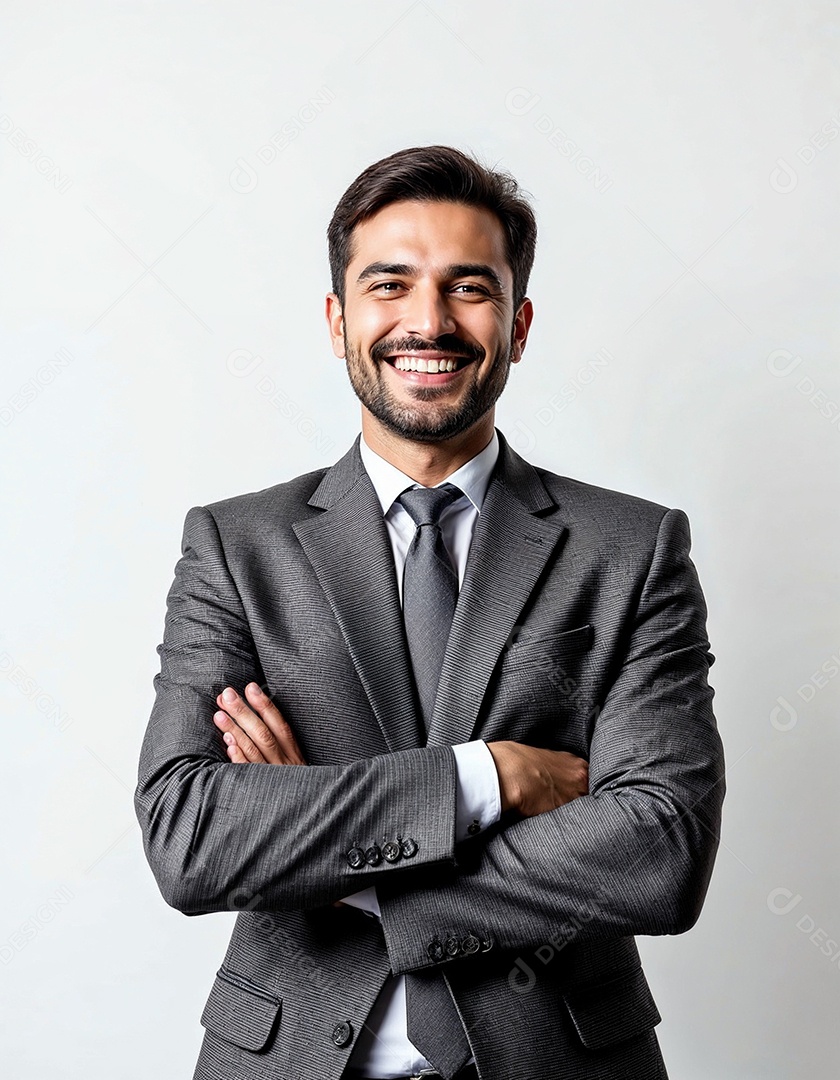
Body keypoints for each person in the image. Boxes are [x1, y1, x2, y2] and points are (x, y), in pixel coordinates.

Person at [135, 145, 725, 1080]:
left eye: (468, 289)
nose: (427, 321)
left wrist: (342, 861)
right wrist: (485, 778)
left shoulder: (633, 549)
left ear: (519, 324)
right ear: (338, 320)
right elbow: (192, 837)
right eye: (390, 284)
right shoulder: (235, 546)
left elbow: (660, 847)